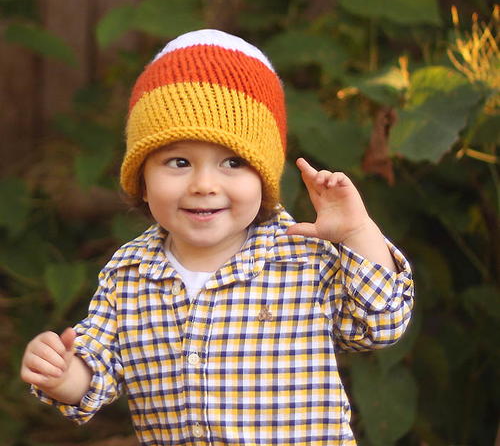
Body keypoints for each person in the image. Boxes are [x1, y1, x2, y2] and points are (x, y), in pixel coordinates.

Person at [20, 29, 414, 445]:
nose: (204, 184)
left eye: (232, 162)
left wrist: (356, 232)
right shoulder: (129, 274)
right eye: (178, 161)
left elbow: (380, 322)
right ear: (141, 178)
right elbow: (98, 366)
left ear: (264, 176)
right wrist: (64, 376)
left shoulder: (301, 258)